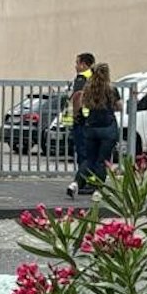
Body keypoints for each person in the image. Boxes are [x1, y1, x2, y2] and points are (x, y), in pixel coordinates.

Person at [70, 63, 121, 197]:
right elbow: (119, 107)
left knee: (89, 159)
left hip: (91, 126)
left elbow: (82, 103)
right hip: (107, 127)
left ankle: (75, 183)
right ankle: (98, 189)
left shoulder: (88, 89)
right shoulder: (111, 90)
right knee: (102, 161)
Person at [64, 52, 95, 196]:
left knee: (83, 154)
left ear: (83, 64)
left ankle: (82, 182)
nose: (75, 66)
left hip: (82, 121)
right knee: (90, 153)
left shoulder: (82, 78)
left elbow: (77, 98)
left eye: (77, 63)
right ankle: (90, 181)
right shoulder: (94, 77)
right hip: (91, 121)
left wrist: (74, 116)